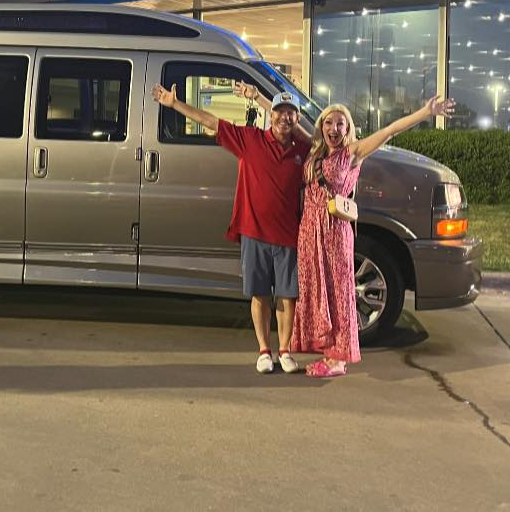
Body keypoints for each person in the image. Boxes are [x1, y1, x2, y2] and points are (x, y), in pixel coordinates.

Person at [151, 81, 309, 374]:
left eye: (291, 113)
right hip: (254, 231)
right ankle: (264, 351)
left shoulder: (303, 150)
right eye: (279, 111)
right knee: (260, 294)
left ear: (297, 118)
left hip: (289, 234)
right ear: (270, 114)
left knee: (288, 297)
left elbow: (320, 144)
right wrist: (175, 105)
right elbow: (211, 121)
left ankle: (285, 350)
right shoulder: (250, 139)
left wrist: (259, 97)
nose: (284, 118)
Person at [292, 96, 454, 377]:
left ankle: (338, 359)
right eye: (328, 122)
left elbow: (390, 130)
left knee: (339, 293)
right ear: (321, 126)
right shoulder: (316, 150)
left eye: (340, 124)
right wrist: (257, 97)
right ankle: (328, 351)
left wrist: (425, 112)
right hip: (310, 231)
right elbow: (290, 122)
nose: (333, 128)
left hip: (334, 231)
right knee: (319, 292)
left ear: (348, 129)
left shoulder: (353, 152)